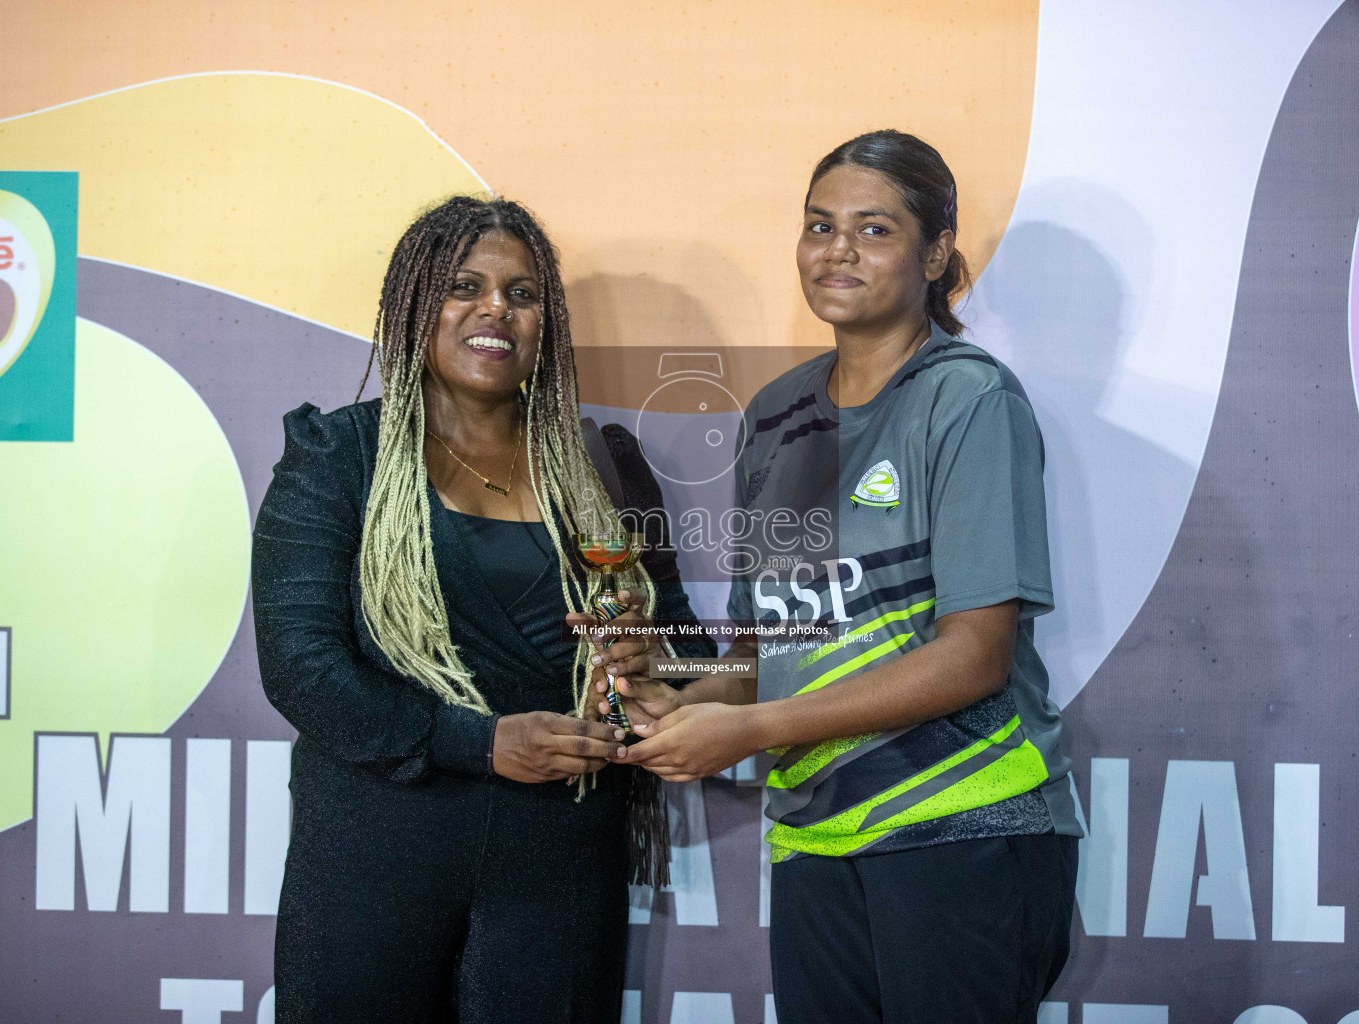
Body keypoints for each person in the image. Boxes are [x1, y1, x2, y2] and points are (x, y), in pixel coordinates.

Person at [613, 131, 1083, 1022]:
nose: (837, 250)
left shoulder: (968, 398)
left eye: (874, 230)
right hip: (816, 840)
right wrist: (682, 704)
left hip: (962, 830)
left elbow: (975, 657)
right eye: (819, 225)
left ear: (935, 253)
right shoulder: (774, 416)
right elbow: (771, 650)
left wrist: (754, 725)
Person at [251, 195, 713, 1023]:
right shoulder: (338, 457)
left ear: (547, 324)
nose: (495, 307)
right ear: (414, 307)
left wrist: (656, 664)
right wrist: (481, 742)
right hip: (375, 854)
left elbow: (702, 658)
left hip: (563, 862)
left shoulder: (606, 469)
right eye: (463, 286)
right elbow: (299, 667)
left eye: (523, 293)